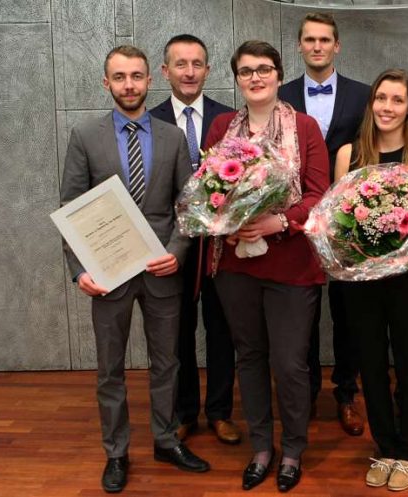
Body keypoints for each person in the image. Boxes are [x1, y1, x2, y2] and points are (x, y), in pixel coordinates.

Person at [60, 45, 210, 494]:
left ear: (151, 80)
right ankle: (117, 452)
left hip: (162, 270)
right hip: (107, 276)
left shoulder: (171, 137)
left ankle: (166, 440)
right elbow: (70, 207)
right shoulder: (85, 136)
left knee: (168, 363)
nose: (130, 84)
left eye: (137, 76)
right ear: (107, 83)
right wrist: (78, 270)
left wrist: (179, 252)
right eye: (120, 77)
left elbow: (189, 207)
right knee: (110, 369)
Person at [204, 40, 329, 492]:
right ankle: (262, 445)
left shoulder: (305, 126)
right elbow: (208, 190)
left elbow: (318, 194)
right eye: (245, 71)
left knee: (290, 363)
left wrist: (279, 219)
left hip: (292, 265)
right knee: (250, 356)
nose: (255, 77)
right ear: (237, 79)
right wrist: (227, 221)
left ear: (278, 74)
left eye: (263, 69)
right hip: (236, 265)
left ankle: (293, 449)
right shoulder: (222, 126)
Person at [334, 69, 408, 491]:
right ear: (371, 104)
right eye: (380, 98)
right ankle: (383, 445)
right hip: (363, 281)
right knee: (370, 363)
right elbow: (338, 219)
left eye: (397, 100)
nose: (387, 107)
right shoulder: (350, 154)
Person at [278, 12, 370, 435]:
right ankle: (307, 391)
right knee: (302, 313)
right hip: (297, 223)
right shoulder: (280, 95)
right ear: (299, 45)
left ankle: (347, 393)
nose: (317, 46)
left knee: (350, 314)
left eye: (325, 40)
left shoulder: (363, 95)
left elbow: (370, 152)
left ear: (338, 46)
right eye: (309, 40)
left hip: (349, 223)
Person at [150, 34, 241, 445]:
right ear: (165, 71)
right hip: (171, 248)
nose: (189, 72)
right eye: (180, 64)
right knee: (178, 332)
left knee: (222, 329)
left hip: (221, 247)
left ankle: (220, 412)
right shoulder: (148, 122)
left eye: (197, 64)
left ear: (208, 70)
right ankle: (186, 411)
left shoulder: (231, 120)